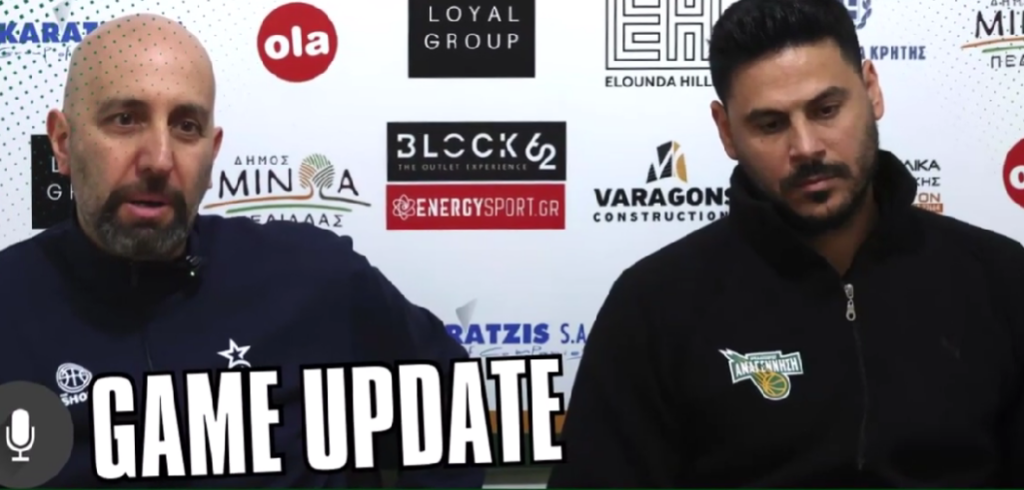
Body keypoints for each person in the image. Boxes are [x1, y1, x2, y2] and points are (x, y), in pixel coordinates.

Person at [548, 0, 1024, 487]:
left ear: (872, 90)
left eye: (826, 110)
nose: (806, 148)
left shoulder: (1002, 280)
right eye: (771, 125)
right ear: (727, 131)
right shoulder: (651, 307)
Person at [0, 14, 484, 488]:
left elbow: (450, 396)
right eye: (125, 120)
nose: (159, 160)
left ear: (212, 153)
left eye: (186, 126)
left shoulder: (311, 275)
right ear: (62, 142)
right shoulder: (10, 301)